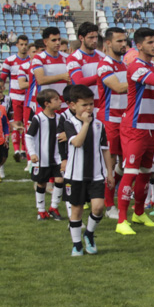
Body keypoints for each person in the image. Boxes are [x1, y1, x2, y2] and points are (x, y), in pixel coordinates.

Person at [115, 27, 154, 236]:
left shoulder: (152, 66)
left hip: (149, 127)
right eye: (149, 42)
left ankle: (138, 212)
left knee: (146, 174)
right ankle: (121, 219)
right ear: (138, 46)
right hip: (134, 126)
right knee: (130, 172)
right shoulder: (136, 66)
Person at [62, 84, 113, 257]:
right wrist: (85, 124)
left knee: (98, 207)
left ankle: (89, 234)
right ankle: (76, 245)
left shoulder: (99, 125)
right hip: (75, 175)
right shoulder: (68, 123)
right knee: (76, 210)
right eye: (84, 105)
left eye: (91, 104)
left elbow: (105, 149)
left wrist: (110, 172)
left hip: (96, 175)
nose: (89, 108)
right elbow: (77, 142)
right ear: (72, 106)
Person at [96, 27, 129, 220]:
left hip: (125, 120)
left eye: (125, 41)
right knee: (110, 164)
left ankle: (111, 196)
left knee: (125, 165)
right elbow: (117, 87)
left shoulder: (125, 65)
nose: (123, 44)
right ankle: (109, 205)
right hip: (109, 120)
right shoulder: (104, 65)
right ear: (108, 43)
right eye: (119, 41)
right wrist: (140, 78)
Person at [26, 88, 67, 220]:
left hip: (57, 157)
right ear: (47, 103)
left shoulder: (60, 118)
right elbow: (28, 136)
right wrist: (32, 153)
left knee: (60, 180)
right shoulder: (38, 118)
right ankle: (41, 210)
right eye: (56, 99)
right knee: (41, 183)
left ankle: (54, 207)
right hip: (41, 158)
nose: (60, 101)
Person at [0, 35, 31, 161]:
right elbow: (2, 79)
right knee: (17, 123)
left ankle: (24, 150)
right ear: (16, 45)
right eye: (21, 44)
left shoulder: (32, 60)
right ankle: (17, 150)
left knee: (26, 124)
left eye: (25, 44)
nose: (23, 47)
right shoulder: (10, 61)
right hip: (15, 97)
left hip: (28, 97)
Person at [30, 27, 70, 115]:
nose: (58, 43)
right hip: (46, 106)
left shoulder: (67, 57)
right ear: (45, 42)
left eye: (59, 39)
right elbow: (40, 80)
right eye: (54, 40)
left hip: (63, 105)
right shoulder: (39, 58)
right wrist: (62, 76)